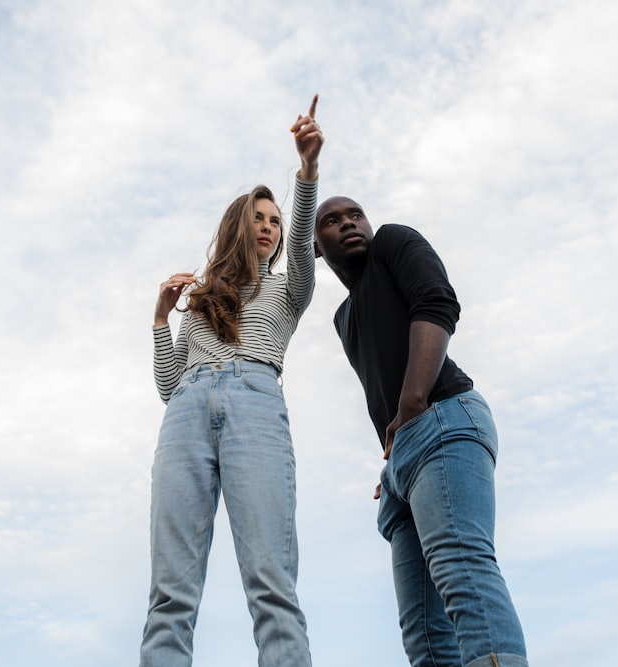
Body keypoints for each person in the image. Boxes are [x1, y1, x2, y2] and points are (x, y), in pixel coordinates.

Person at [140, 96, 323, 667]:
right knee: (171, 590)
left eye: (275, 220)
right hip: (187, 411)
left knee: (270, 580)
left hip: (255, 407)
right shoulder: (202, 300)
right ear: (238, 225)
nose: (269, 228)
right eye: (259, 219)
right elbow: (169, 385)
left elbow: (299, 244)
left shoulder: (288, 290)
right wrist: (159, 320)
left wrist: (307, 172)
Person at [313, 197, 528, 667]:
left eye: (355, 214)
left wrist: (411, 406)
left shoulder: (393, 240)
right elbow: (379, 383)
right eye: (332, 221)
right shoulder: (343, 318)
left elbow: (436, 301)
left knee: (462, 570)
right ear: (314, 246)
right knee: (424, 634)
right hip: (403, 462)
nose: (349, 222)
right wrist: (393, 455)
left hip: (444, 419)